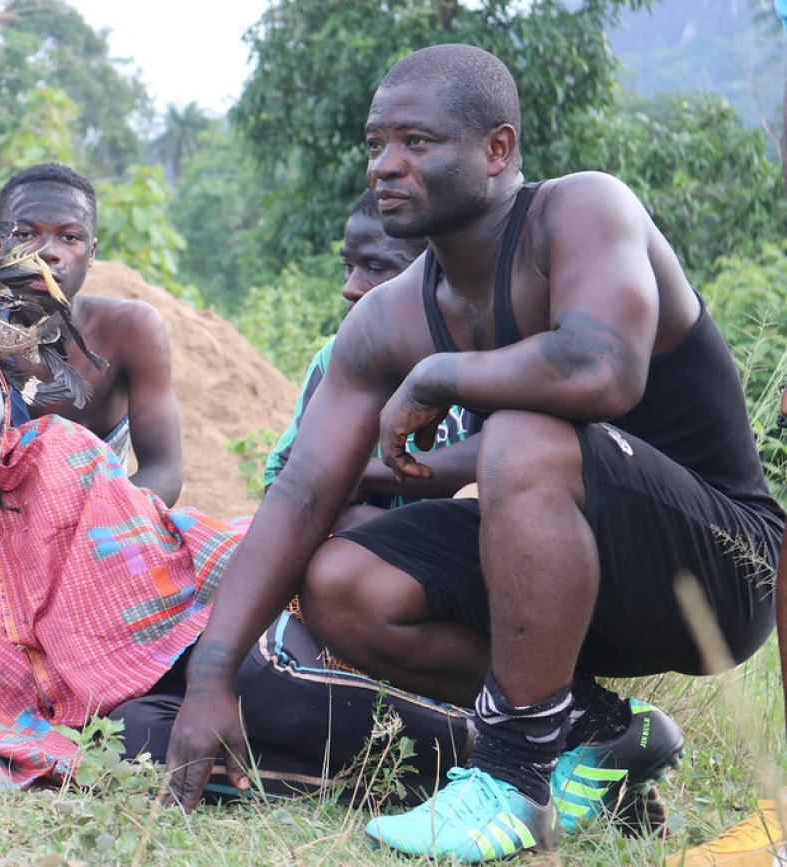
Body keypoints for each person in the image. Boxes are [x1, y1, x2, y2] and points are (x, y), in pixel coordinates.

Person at [163, 44, 779, 862]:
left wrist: (441, 371)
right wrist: (212, 676)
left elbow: (604, 370)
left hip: (724, 572)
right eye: (377, 143)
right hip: (568, 582)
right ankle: (596, 731)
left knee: (522, 436)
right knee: (340, 577)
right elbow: (301, 491)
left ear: (498, 149)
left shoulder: (583, 212)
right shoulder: (386, 317)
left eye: (416, 142)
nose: (386, 164)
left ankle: (513, 779)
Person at [0, 211, 473, 797]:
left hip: (195, 647)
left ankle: (500, 742)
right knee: (134, 748)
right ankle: (422, 768)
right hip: (101, 713)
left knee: (273, 689)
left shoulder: (59, 457)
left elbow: (160, 564)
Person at [263, 190, 480, 531]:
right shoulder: (334, 359)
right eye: (348, 266)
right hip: (370, 548)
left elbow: (490, 458)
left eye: (376, 266)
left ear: (438, 271)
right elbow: (281, 480)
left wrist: (356, 473)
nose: (350, 287)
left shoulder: (483, 357)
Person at [0, 163, 183, 505]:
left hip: (96, 522)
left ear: (91, 252)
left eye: (69, 237)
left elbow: (164, 470)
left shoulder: (129, 331)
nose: (46, 252)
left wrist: (83, 526)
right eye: (24, 234)